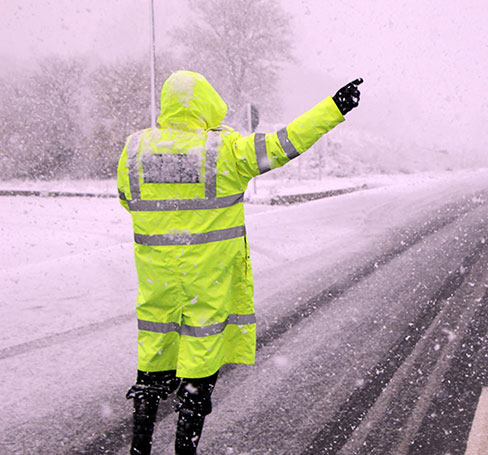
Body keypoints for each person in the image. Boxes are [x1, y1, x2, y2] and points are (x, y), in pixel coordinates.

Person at [116, 70, 363, 454]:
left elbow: (127, 198)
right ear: (205, 104)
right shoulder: (224, 152)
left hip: (158, 282)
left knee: (151, 369)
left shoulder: (135, 150)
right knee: (197, 376)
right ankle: (185, 447)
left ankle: (140, 447)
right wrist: (334, 108)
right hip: (206, 283)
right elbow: (286, 142)